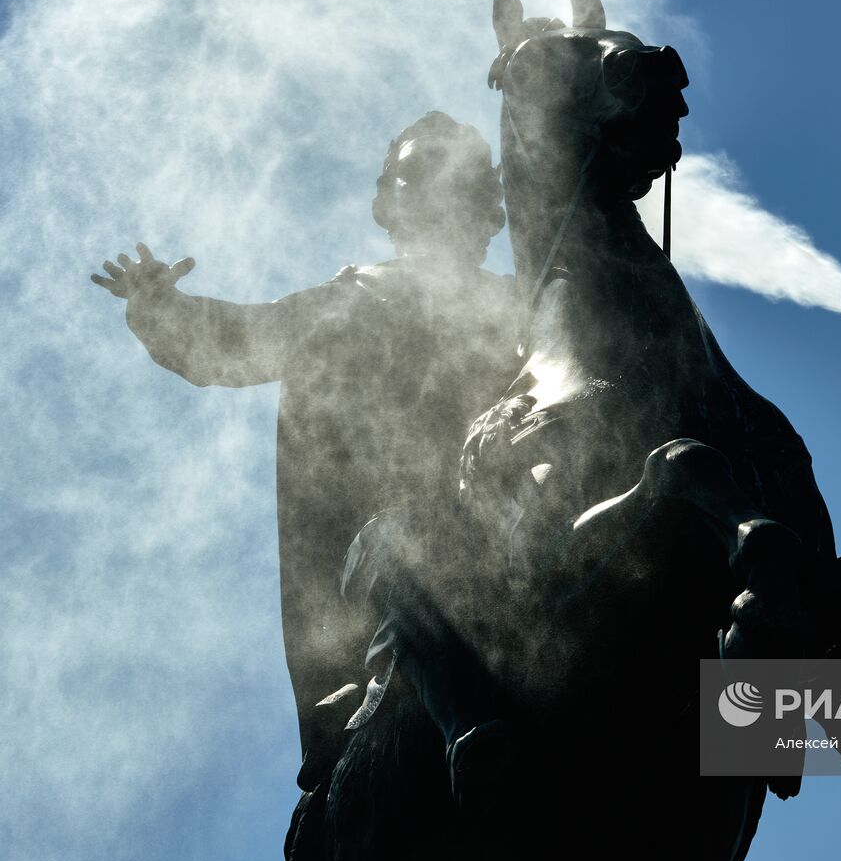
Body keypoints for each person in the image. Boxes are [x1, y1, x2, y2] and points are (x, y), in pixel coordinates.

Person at [91, 112, 520, 788]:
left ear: (486, 202)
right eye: (415, 172)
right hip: (389, 561)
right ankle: (474, 738)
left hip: (523, 521)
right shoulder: (348, 302)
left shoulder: (531, 304)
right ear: (390, 203)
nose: (437, 185)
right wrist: (158, 308)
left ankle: (748, 744)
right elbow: (233, 342)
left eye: (456, 173)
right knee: (405, 540)